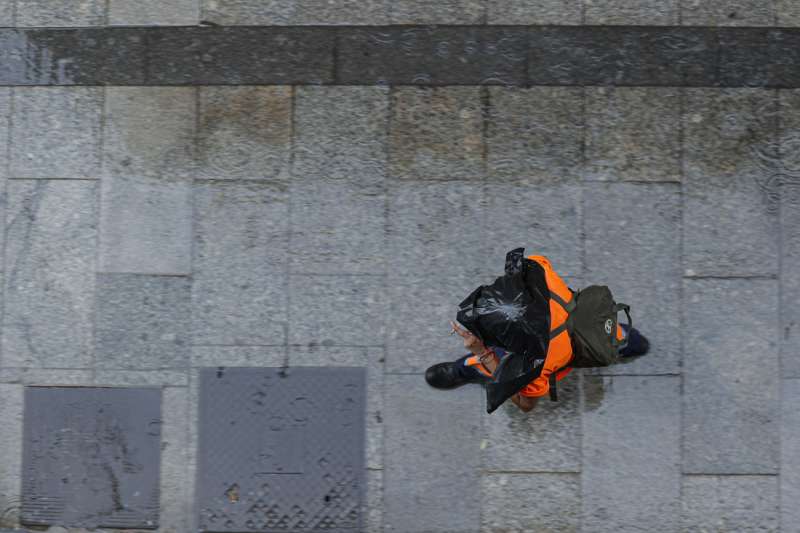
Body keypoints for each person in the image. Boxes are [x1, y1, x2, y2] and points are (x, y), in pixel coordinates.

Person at [424, 254, 651, 413]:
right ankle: (621, 338)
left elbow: (526, 405)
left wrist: (482, 352)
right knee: (607, 334)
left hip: (556, 351)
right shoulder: (541, 274)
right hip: (584, 320)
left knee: (503, 364)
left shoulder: (535, 364)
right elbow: (533, 264)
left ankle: (472, 367)